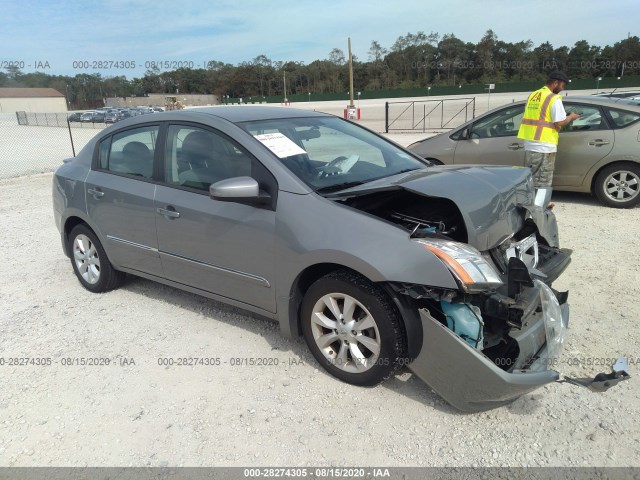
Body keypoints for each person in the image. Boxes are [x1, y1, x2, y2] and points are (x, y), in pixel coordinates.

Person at [517, 71, 580, 207]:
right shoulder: (553, 98)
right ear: (555, 82)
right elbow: (559, 122)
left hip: (531, 143)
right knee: (543, 180)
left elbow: (541, 116)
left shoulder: (534, 95)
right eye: (562, 85)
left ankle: (531, 205)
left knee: (532, 178)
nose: (562, 89)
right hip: (544, 145)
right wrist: (571, 117)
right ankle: (539, 208)